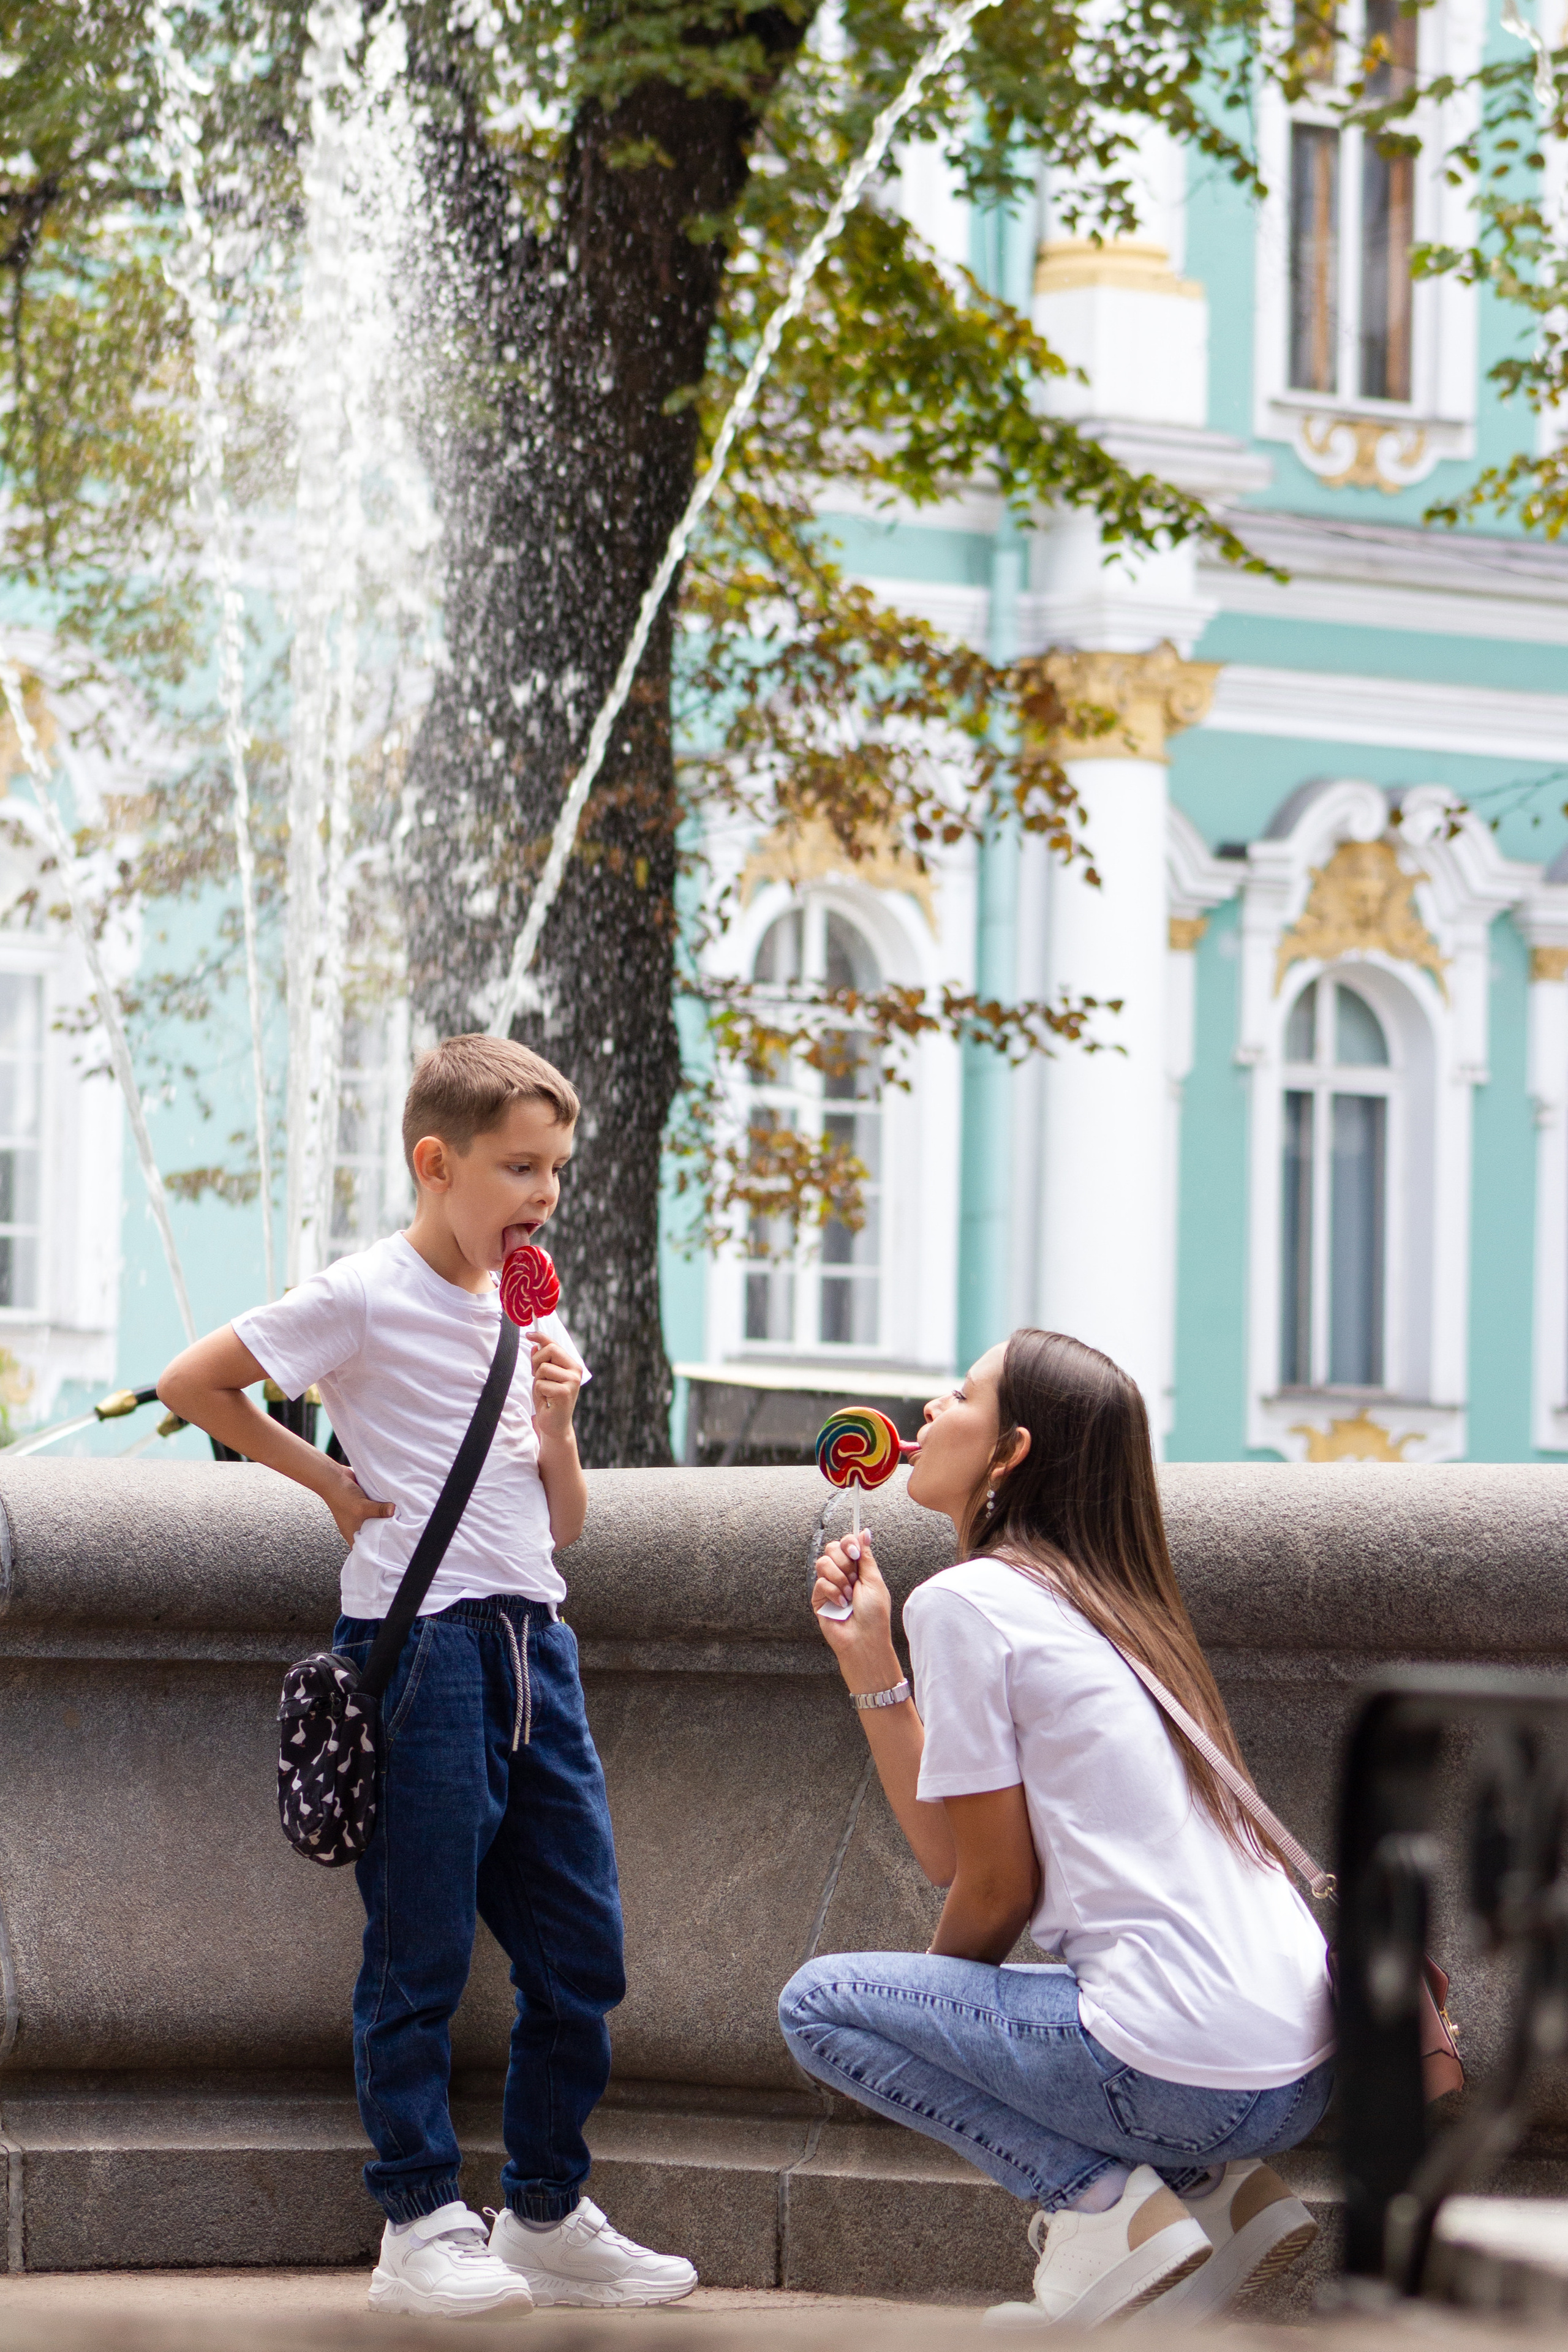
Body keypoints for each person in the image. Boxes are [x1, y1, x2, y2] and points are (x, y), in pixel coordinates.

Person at [159, 1033, 697, 2320]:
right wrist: (331, 1484)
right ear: (436, 1163)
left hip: (534, 1644)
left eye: (556, 1169)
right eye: (519, 1167)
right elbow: (194, 1382)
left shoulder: (529, 1313)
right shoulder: (363, 1293)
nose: (544, 1194)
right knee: (420, 1955)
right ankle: (417, 2222)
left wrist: (559, 1425)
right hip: (423, 1653)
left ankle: (547, 2214)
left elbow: (562, 1524)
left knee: (583, 1954)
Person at [779, 1329, 1333, 2331]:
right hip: (1302, 2071)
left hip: (1185, 2072)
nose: (931, 1411)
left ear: (1012, 1452)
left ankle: (1097, 2211)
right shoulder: (1113, 1605)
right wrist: (871, 1659)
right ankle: (1222, 2198)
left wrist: (941, 2031)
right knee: (1041, 2005)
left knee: (823, 2007)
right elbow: (951, 1854)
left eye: (963, 1396)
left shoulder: (969, 1601)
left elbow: (997, 1892)